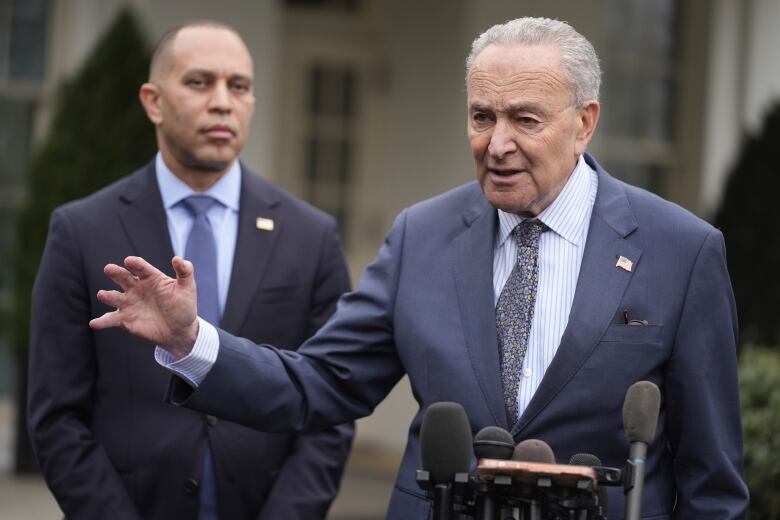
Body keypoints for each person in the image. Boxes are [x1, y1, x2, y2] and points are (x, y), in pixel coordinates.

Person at [91, 17, 749, 518]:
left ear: (585, 123)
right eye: (481, 116)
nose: (497, 145)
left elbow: (710, 478)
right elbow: (318, 384)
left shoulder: (680, 251)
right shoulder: (422, 235)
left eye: (525, 119)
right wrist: (190, 341)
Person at [28, 20, 353, 520]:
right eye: (200, 82)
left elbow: (329, 412)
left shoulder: (311, 236)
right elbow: (57, 416)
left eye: (239, 86)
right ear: (153, 100)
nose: (223, 102)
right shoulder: (81, 230)